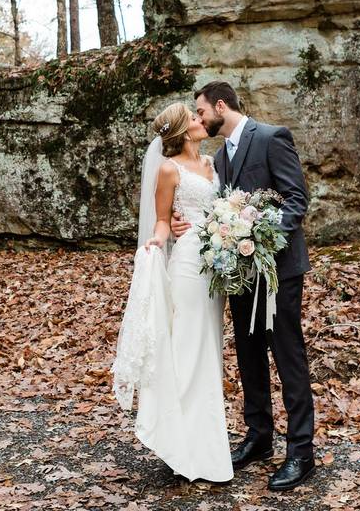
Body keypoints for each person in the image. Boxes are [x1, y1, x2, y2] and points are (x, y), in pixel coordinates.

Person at [177, 80, 317, 491]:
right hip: (238, 274)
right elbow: (218, 207)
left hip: (279, 270)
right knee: (249, 356)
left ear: (221, 105)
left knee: (288, 357)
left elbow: (296, 199)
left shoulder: (272, 138)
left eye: (201, 111)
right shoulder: (221, 157)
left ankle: (301, 452)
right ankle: (258, 438)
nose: (199, 119)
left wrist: (264, 241)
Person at [111, 102, 233, 484]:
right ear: (183, 129)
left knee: (208, 350)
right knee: (186, 349)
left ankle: (204, 446)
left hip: (216, 266)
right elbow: (163, 220)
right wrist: (153, 243)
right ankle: (178, 444)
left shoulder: (213, 164)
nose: (202, 121)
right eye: (195, 118)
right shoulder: (168, 168)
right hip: (187, 267)